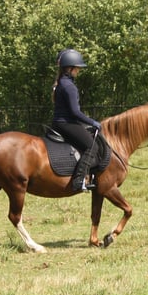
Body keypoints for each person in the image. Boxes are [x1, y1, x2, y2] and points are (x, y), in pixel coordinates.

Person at [51, 49, 102, 192]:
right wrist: (92, 122)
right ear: (70, 68)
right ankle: (79, 180)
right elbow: (75, 112)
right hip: (67, 123)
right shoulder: (69, 86)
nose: (78, 71)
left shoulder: (62, 82)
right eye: (77, 68)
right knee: (92, 146)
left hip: (60, 122)